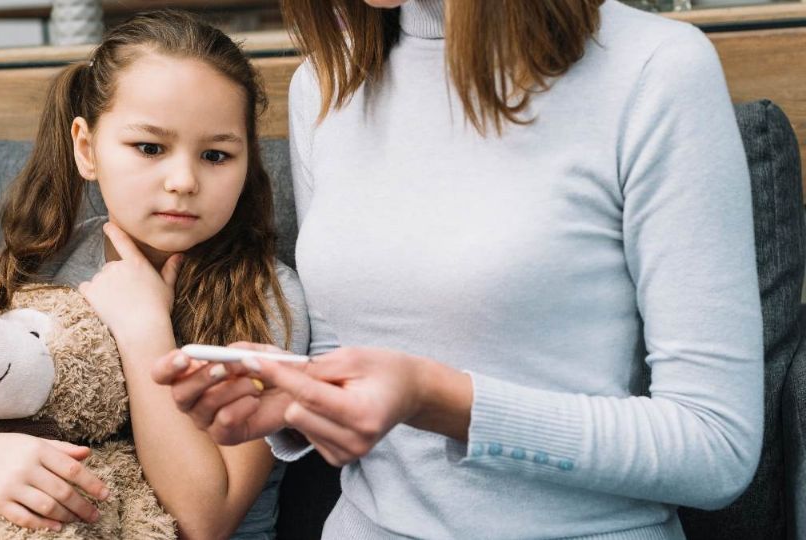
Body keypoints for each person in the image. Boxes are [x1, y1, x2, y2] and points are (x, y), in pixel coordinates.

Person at [149, 0, 765, 538]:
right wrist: (292, 394)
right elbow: (352, 351)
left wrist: (438, 400)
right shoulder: (329, 79)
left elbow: (715, 448)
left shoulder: (654, 68)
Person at [0, 10, 309, 540]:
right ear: (87, 148)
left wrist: (143, 328)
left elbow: (207, 518)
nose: (183, 180)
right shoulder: (46, 263)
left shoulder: (266, 296)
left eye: (216, 155)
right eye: (150, 148)